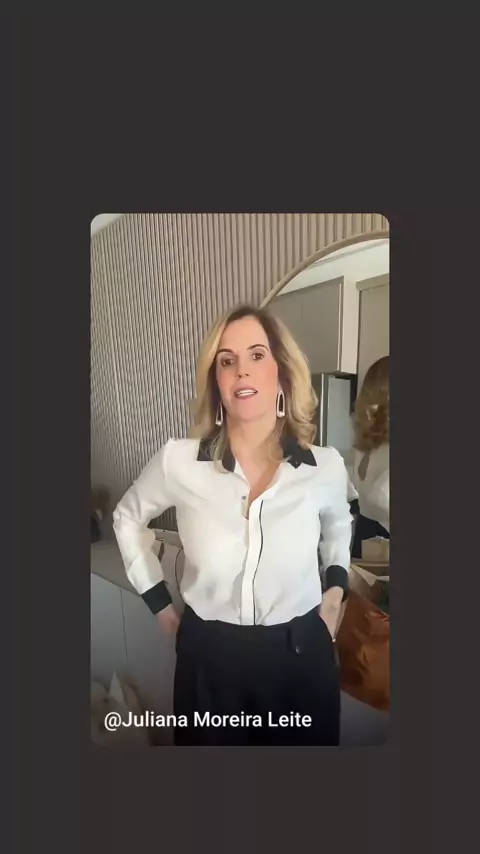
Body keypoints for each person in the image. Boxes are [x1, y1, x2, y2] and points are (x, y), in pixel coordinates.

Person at [113, 304, 354, 746]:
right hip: (209, 662)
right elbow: (127, 518)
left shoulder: (325, 467)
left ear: (282, 372)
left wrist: (336, 592)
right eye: (227, 361)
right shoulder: (178, 462)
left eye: (257, 355)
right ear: (217, 382)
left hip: (301, 658)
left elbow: (340, 523)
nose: (242, 370)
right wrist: (160, 605)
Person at [350, 356, 389, 559]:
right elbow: (380, 499)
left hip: (368, 535)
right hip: (378, 539)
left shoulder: (369, 440)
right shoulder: (376, 443)